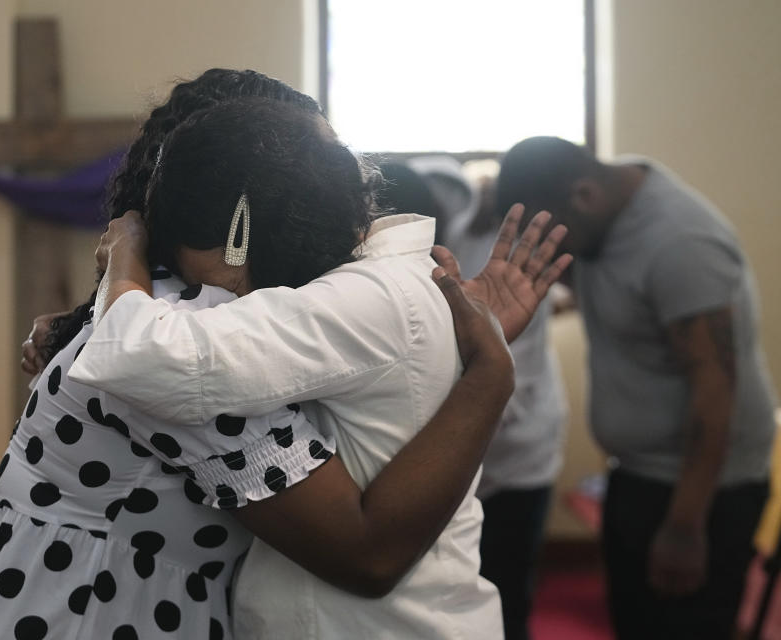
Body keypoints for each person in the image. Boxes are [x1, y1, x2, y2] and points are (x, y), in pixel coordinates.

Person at [0, 75, 568, 640]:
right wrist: (486, 375)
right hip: (79, 615)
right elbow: (367, 551)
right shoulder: (184, 336)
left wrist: (440, 340)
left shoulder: (168, 307)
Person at [67, 98, 571, 637]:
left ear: (241, 233)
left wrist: (126, 252)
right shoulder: (391, 280)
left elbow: (138, 355)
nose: (215, 299)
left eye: (214, 279)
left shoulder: (358, 296)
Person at [494, 136, 777, 639]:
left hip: (702, 493)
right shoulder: (604, 206)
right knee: (638, 623)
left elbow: (715, 390)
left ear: (583, 197)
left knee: (684, 628)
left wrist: (686, 527)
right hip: (639, 475)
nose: (554, 251)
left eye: (555, 237)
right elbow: (616, 296)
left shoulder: (681, 242)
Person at [403, 156, 569, 640]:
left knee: (507, 590)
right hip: (444, 451)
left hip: (518, 450)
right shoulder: (409, 261)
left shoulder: (502, 249)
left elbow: (514, 358)